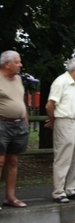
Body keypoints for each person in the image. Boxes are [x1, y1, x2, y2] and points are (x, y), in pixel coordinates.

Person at [45, 57, 75, 203]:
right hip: (64, 121)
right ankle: (58, 192)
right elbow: (50, 105)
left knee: (74, 157)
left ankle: (70, 189)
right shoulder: (61, 82)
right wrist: (54, 120)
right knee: (63, 157)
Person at [0, 50, 29, 209]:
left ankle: (10, 197)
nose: (20, 65)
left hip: (19, 125)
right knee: (0, 161)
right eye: (17, 62)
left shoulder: (18, 79)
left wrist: (25, 122)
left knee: (13, 161)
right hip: (2, 124)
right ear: (7, 64)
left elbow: (21, 100)